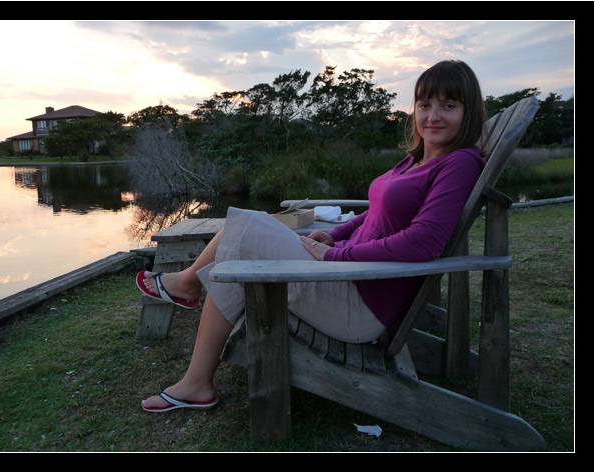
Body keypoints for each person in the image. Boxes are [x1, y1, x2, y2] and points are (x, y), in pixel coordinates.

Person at [136, 59, 487, 412]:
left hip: (360, 301)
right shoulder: (416, 160)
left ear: (468, 111)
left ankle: (186, 286)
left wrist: (338, 256)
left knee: (244, 226)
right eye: (425, 105)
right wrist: (335, 236)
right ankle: (196, 380)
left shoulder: (459, 163)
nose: (433, 116)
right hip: (348, 277)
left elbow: (424, 241)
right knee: (238, 248)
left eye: (449, 106)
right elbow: (375, 213)